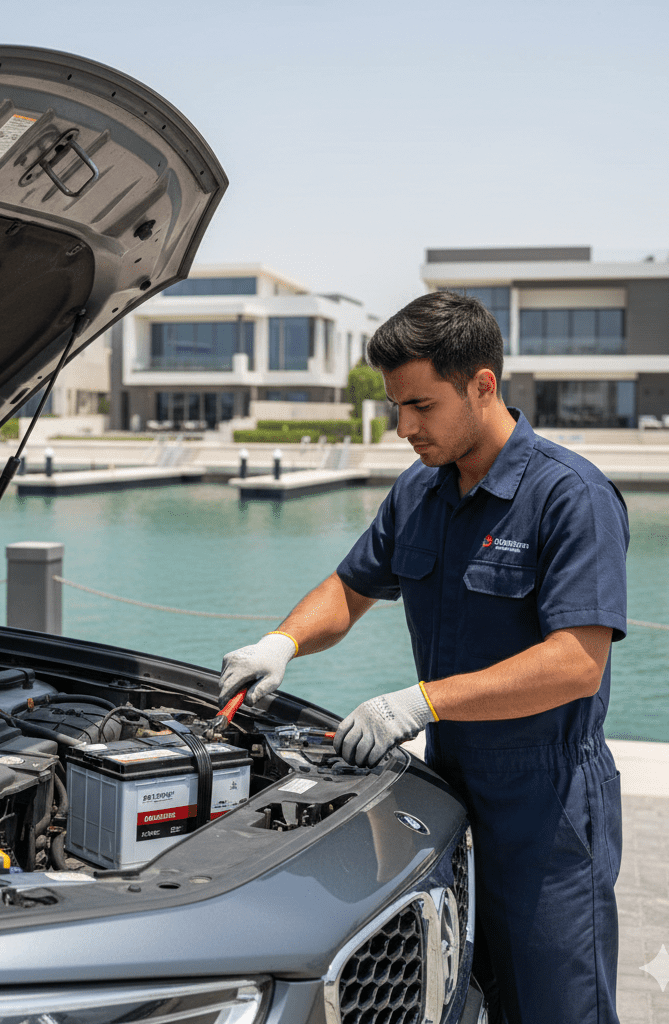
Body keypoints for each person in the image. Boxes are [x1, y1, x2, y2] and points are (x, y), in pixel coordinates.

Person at [219, 291, 628, 1024]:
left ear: (482, 385)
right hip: (448, 791)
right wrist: (280, 643)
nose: (405, 427)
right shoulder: (419, 492)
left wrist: (420, 702)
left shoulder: (570, 498)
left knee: (559, 1009)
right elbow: (349, 588)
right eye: (395, 407)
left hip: (550, 804)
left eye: (421, 406)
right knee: (463, 997)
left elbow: (576, 662)